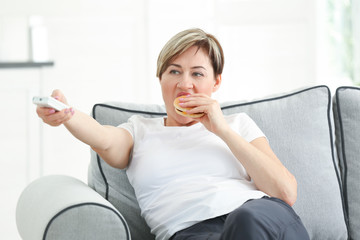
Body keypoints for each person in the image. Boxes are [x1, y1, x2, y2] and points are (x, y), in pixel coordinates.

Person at [37, 28, 310, 240]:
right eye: (174, 71)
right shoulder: (140, 131)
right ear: (161, 79)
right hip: (189, 232)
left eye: (198, 74)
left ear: (216, 82)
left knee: (245, 220)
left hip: (260, 219)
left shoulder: (237, 124)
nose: (185, 84)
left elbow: (285, 191)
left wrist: (222, 130)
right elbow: (103, 138)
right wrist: (68, 115)